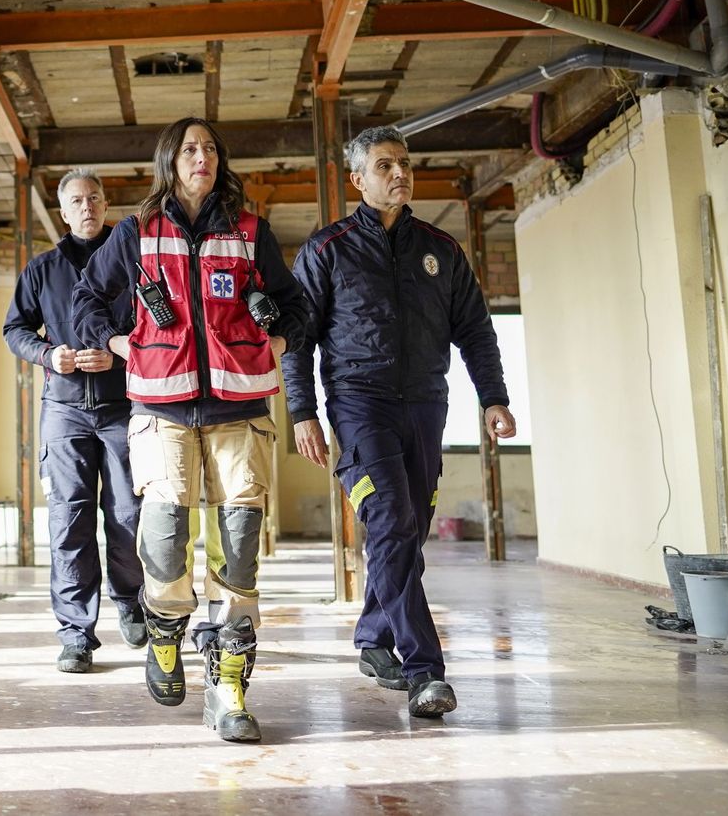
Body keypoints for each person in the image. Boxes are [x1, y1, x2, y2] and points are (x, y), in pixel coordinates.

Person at [72, 117, 308, 743]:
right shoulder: (137, 232)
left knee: (239, 542)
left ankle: (228, 687)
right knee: (164, 531)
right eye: (188, 149)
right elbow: (86, 300)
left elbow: (296, 305)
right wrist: (120, 342)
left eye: (209, 148)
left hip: (240, 408)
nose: (201, 156)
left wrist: (278, 341)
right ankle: (165, 629)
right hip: (161, 408)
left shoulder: (250, 232)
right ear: (169, 162)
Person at [281, 125, 516, 719]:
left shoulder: (441, 249)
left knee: (408, 530)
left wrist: (493, 398)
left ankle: (372, 638)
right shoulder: (327, 250)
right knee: (389, 519)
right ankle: (424, 670)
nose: (399, 174)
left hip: (426, 404)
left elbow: (475, 330)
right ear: (358, 179)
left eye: (404, 164)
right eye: (384, 165)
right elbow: (296, 340)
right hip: (359, 403)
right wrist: (302, 412)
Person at [2, 170, 146, 672]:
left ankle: (130, 599)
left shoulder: (134, 264)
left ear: (106, 205)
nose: (87, 207)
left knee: (130, 515)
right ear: (63, 213)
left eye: (94, 198)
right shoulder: (42, 270)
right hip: (64, 411)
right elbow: (15, 329)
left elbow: (154, 330)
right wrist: (48, 355)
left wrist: (118, 355)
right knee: (69, 521)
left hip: (123, 407)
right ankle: (76, 635)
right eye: (77, 201)